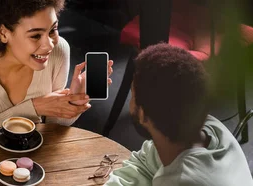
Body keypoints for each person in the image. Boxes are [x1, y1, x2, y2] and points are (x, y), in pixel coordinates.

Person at [0, 0, 114, 185]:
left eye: (52, 30)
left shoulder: (59, 51)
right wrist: (33, 108)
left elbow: (51, 126)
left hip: (31, 153)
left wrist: (71, 102)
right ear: (4, 33)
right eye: (35, 36)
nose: (49, 44)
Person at [105, 43, 253, 186]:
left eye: (132, 94)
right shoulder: (209, 127)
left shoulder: (181, 180)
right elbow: (144, 162)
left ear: (143, 114)